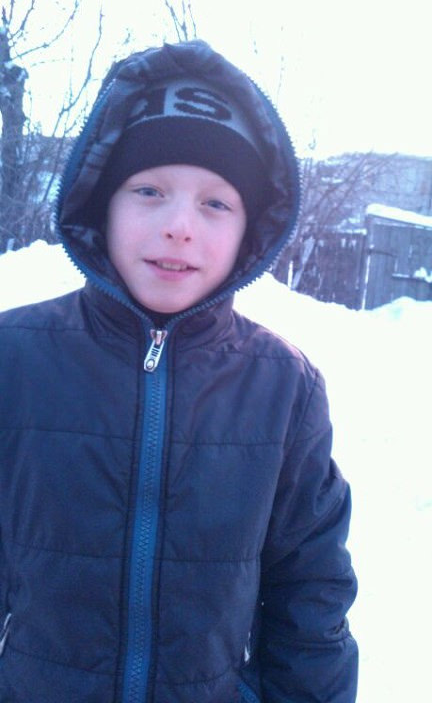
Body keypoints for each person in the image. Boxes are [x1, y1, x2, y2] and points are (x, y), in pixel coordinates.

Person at [0, 40, 358, 702]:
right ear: (100, 204)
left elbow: (310, 599)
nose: (179, 227)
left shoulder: (286, 389)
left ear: (251, 229)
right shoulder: (14, 357)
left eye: (215, 203)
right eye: (149, 191)